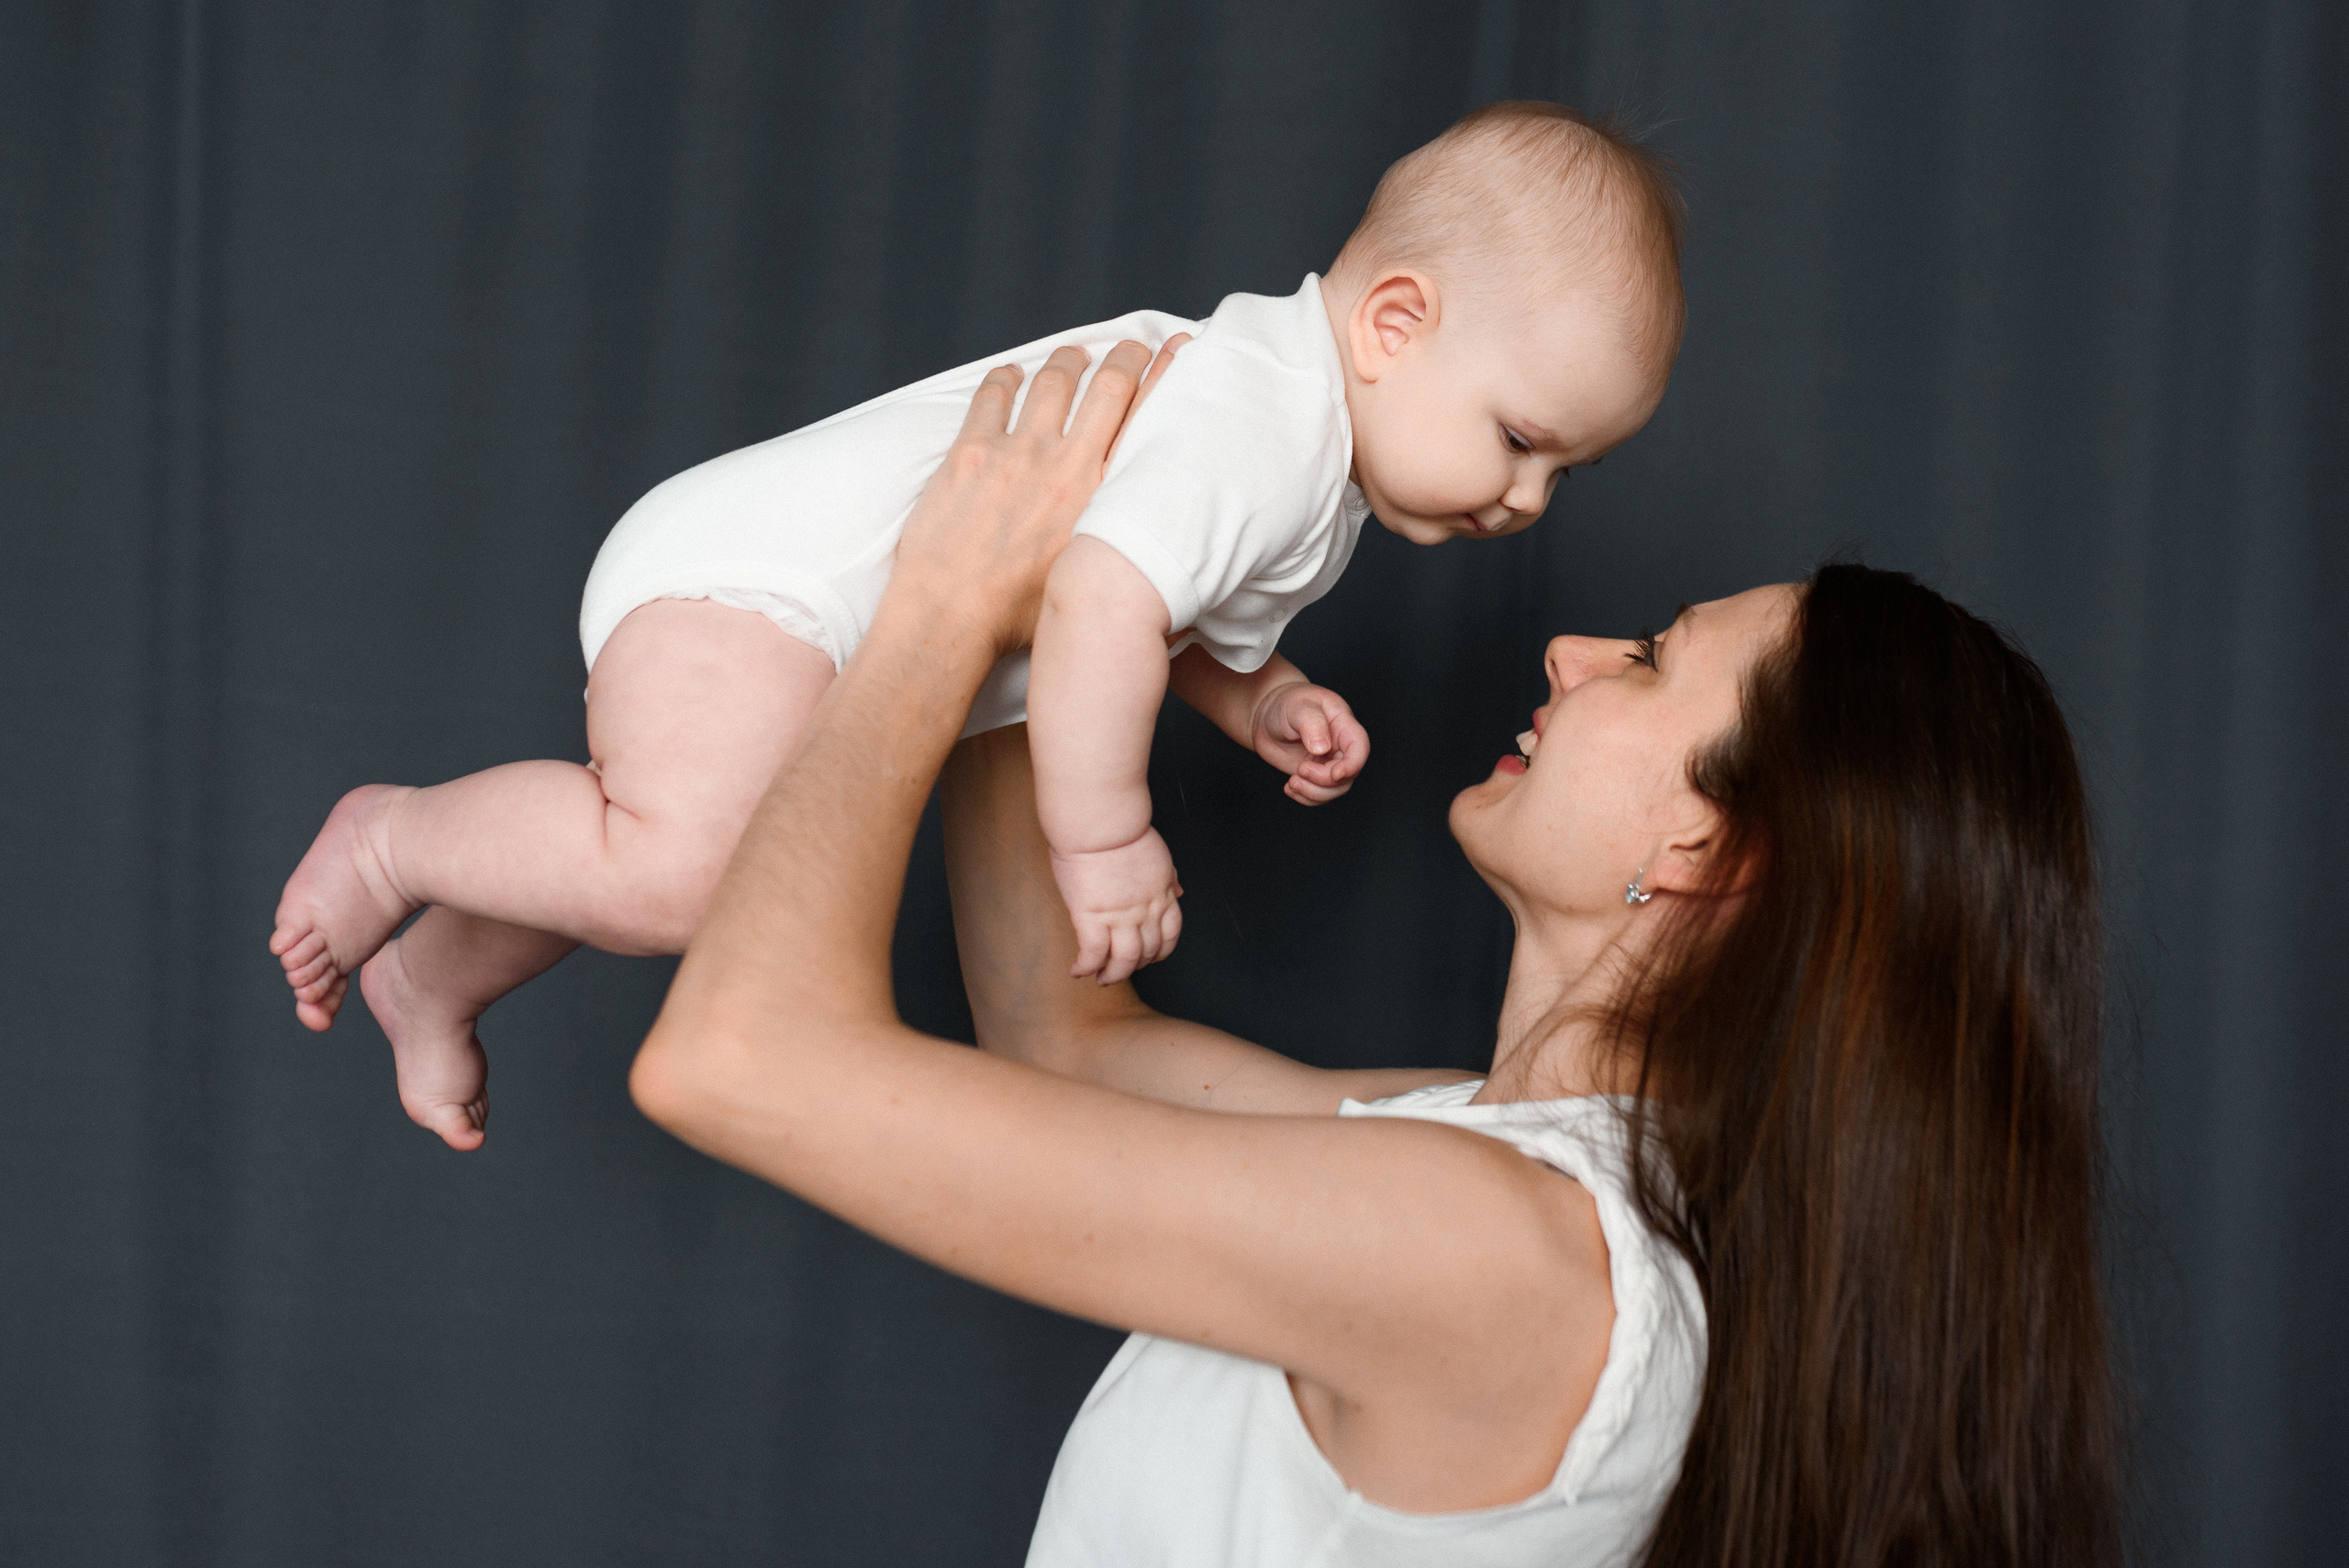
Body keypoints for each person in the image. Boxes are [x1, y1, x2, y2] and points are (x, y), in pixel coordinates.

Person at [629, 341, 2125, 1566]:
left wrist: (942, 605)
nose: (1572, 652)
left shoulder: (1509, 1253)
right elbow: (1057, 1035)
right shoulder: (1501, 1160)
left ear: (1706, 852)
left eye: (1654, 660)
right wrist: (1071, 598)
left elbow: (737, 1059)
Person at [266, 99, 1687, 1151]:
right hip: (763, 575)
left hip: (826, 623)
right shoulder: (1262, 425)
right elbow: (1102, 598)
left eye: (1567, 471)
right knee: (683, 874)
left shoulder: (1319, 464)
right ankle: (391, 835)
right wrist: (1104, 835)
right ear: (1393, 321)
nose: (1529, 499)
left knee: (669, 859)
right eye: (1519, 439)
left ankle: (434, 971)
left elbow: (1154, 605)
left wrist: (1257, 699)